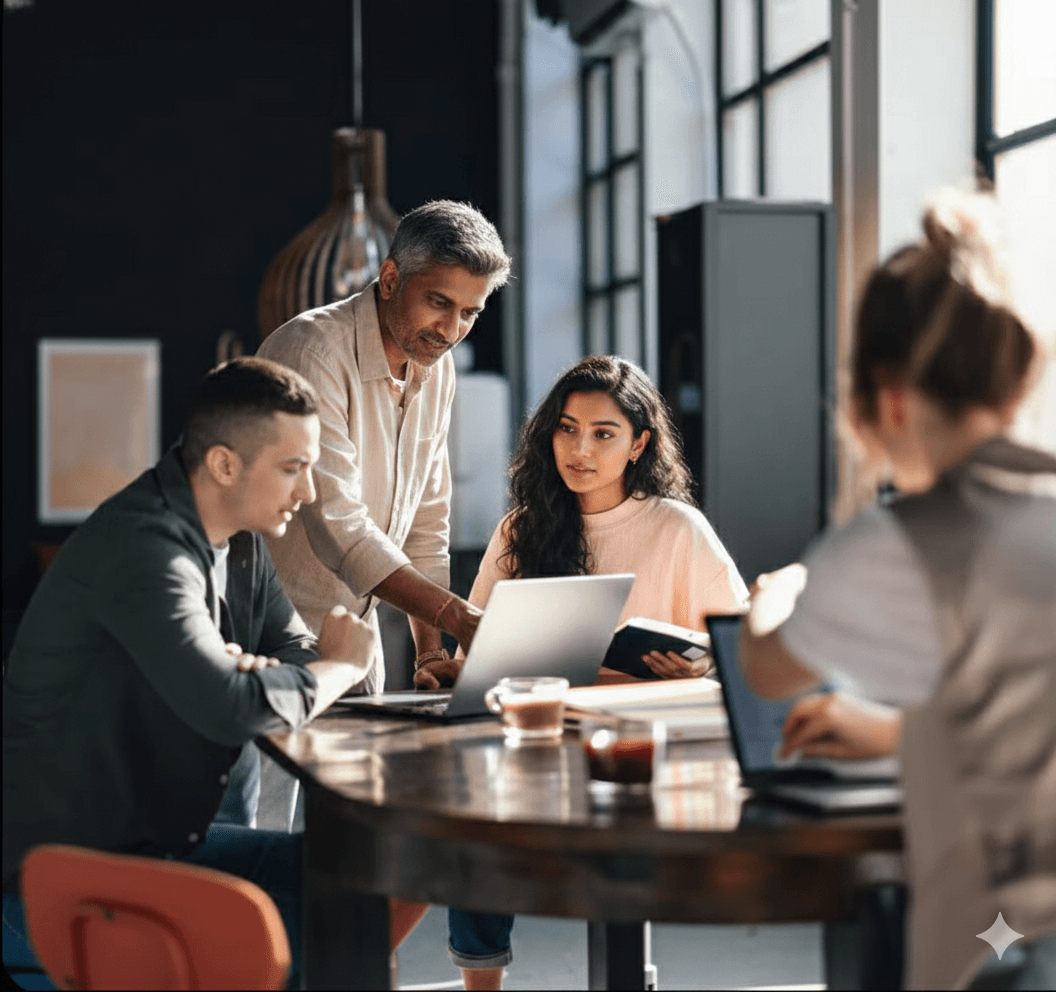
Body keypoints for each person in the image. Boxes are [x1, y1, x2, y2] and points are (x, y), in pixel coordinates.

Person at [1, 358, 417, 989]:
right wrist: (340, 666)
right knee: (325, 914)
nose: (307, 493)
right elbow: (240, 703)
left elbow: (289, 654)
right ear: (225, 464)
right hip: (62, 873)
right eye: (293, 468)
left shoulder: (243, 542)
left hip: (161, 841)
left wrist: (281, 677)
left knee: (369, 879)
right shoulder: (144, 548)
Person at [737, 189, 1056, 990]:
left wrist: (777, 595)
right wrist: (890, 734)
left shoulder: (898, 543)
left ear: (888, 401)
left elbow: (767, 671)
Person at [446, 355, 750, 989]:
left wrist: (689, 673)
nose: (579, 448)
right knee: (467, 815)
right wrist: (454, 669)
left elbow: (742, 655)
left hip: (633, 751)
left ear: (639, 443)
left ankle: (625, 976)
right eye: (565, 428)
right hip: (537, 742)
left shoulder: (678, 529)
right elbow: (471, 652)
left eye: (603, 433)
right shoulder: (520, 530)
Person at [258, 199, 512, 694]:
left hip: (357, 646)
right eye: (439, 302)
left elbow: (426, 523)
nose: (452, 331)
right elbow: (336, 522)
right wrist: (457, 615)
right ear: (391, 279)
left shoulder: (437, 366)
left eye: (470, 313)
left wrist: (432, 651)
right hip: (272, 641)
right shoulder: (313, 351)